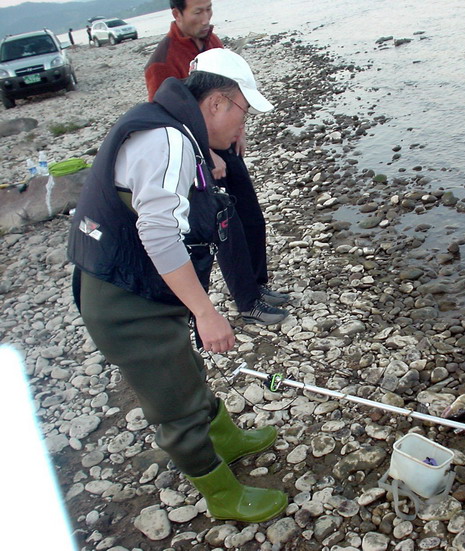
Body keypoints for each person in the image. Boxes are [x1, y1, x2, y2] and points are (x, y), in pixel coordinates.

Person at [67, 48, 288, 523]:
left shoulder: (170, 126)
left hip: (130, 281)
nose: (242, 130)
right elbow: (159, 233)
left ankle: (225, 438)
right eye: (243, 115)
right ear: (217, 104)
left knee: (184, 370)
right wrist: (206, 312)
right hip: (125, 302)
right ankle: (221, 494)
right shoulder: (169, 141)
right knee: (174, 404)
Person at [144, 0, 289, 325]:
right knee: (227, 228)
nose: (206, 18)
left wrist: (240, 127)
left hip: (224, 140)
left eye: (209, 9)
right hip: (196, 152)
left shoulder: (211, 43)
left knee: (251, 215)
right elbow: (168, 118)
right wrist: (204, 155)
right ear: (177, 14)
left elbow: (234, 92)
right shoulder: (162, 61)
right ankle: (247, 301)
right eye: (198, 12)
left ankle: (259, 284)